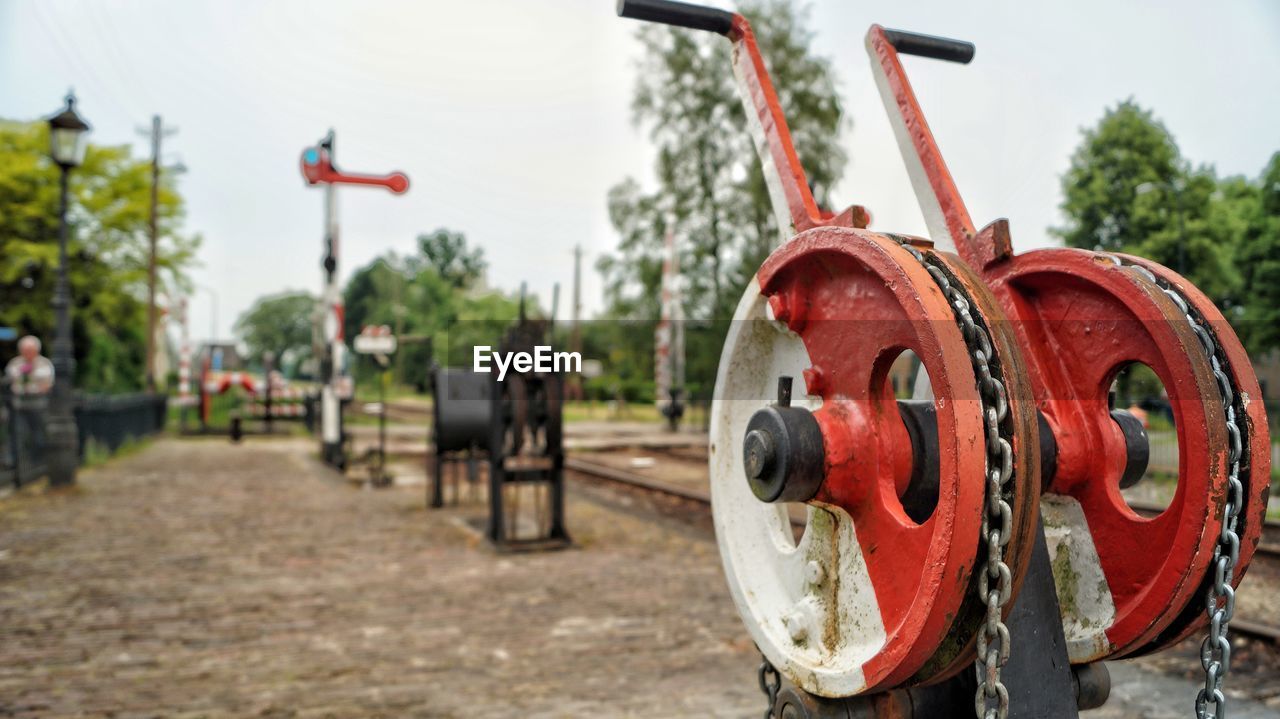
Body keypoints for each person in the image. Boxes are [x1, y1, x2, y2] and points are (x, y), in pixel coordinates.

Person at [4, 335, 55, 472]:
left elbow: (46, 384)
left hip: (38, 405)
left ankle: (37, 463)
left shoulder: (44, 364)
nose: (27, 354)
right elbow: (11, 381)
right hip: (19, 405)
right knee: (17, 433)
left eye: (30, 350)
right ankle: (14, 464)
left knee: (38, 434)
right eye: (25, 350)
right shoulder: (15, 363)